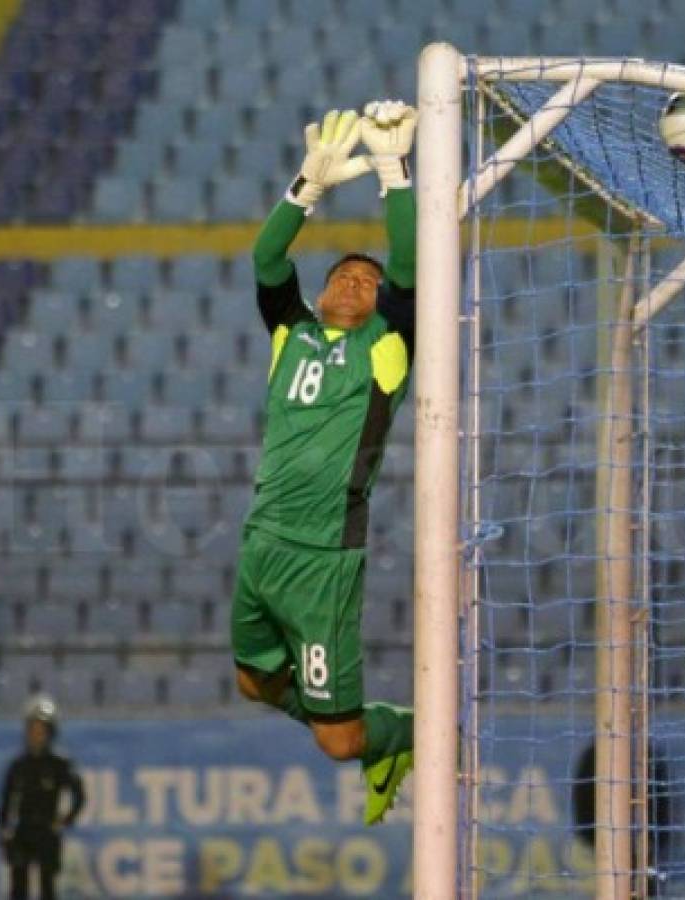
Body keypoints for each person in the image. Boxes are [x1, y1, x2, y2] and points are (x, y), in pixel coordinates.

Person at [229, 100, 417, 825]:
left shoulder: (388, 349)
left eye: (365, 283)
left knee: (339, 744)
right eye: (340, 274)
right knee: (251, 682)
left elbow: (406, 263)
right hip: (262, 540)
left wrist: (392, 174)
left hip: (320, 558)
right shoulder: (290, 334)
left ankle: (396, 732)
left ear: (379, 306)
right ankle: (335, 710)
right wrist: (304, 189)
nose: (349, 283)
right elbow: (266, 260)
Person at [0, 696, 84, 900]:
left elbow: (79, 795)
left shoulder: (59, 763)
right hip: (23, 829)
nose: (37, 735)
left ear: (50, 733)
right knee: (18, 887)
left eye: (41, 730)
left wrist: (66, 819)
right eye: (33, 730)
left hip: (47, 830)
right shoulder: (18, 765)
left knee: (48, 886)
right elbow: (6, 800)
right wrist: (4, 831)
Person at [571, 740, 673, 894]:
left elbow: (662, 808)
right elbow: (583, 806)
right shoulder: (595, 756)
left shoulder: (646, 755)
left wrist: (649, 842)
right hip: (603, 843)